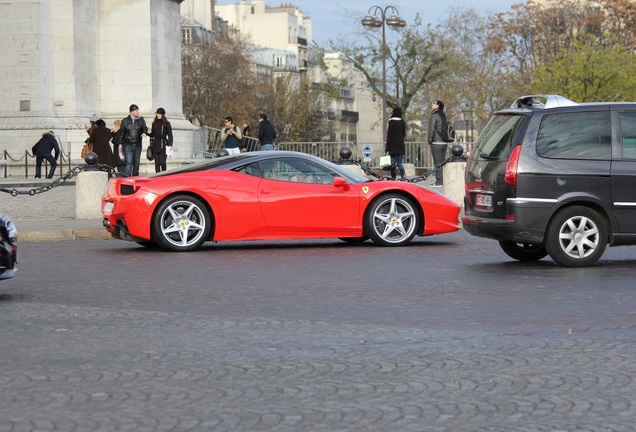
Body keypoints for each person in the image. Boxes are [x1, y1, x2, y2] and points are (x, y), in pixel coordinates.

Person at [119, 104, 147, 176]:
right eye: (136, 110)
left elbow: (145, 128)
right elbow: (122, 133)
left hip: (137, 144)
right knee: (129, 162)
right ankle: (127, 179)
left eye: (138, 110)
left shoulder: (141, 120)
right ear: (132, 111)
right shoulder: (125, 121)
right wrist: (120, 144)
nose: (138, 112)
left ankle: (135, 179)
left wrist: (144, 132)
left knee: (136, 163)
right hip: (127, 144)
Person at [428, 99, 449, 186]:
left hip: (436, 142)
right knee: (442, 162)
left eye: (434, 103)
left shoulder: (434, 115)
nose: (432, 104)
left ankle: (439, 181)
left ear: (437, 106)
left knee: (437, 162)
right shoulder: (443, 116)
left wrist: (430, 140)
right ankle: (443, 180)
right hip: (444, 142)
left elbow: (431, 129)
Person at [146, 108, 174, 172]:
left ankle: (164, 175)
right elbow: (153, 134)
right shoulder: (154, 123)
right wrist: (148, 133)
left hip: (163, 144)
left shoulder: (167, 124)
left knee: (163, 162)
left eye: (159, 114)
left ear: (163, 115)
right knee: (157, 163)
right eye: (157, 114)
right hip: (156, 144)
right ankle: (157, 176)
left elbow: (170, 135)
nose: (158, 115)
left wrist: (170, 144)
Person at [385, 107, 407, 180]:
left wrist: (387, 147)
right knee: (400, 162)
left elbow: (389, 135)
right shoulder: (402, 122)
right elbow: (403, 134)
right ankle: (402, 175)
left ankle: (393, 177)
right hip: (400, 144)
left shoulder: (391, 122)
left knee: (393, 162)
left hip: (392, 145)